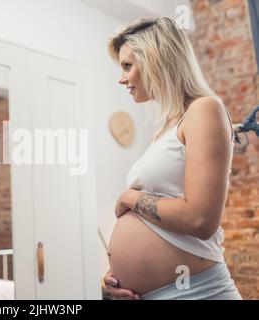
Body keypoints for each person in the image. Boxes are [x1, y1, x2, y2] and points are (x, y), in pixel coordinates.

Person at [103, 17, 242, 300]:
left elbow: (200, 219)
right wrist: (117, 276)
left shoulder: (204, 109)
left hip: (199, 293)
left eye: (128, 66)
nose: (122, 78)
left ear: (155, 59)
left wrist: (129, 198)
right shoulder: (165, 128)